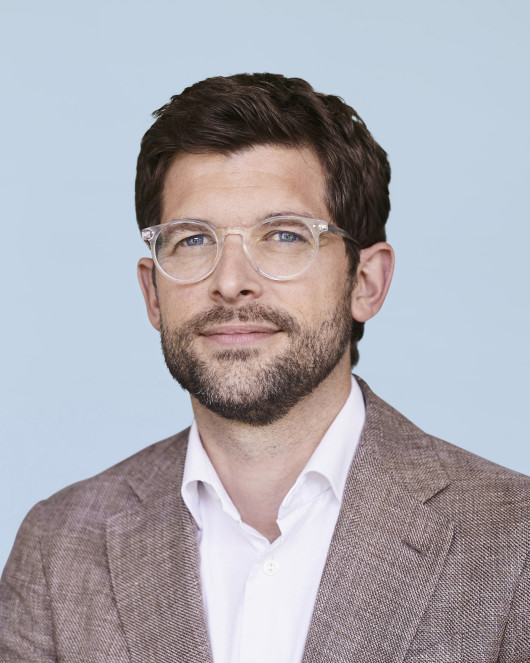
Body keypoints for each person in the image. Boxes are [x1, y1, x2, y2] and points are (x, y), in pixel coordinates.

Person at [1, 73, 529, 663]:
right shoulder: (58, 548)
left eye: (283, 235)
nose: (231, 283)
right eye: (192, 240)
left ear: (366, 282)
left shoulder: (514, 540)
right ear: (153, 293)